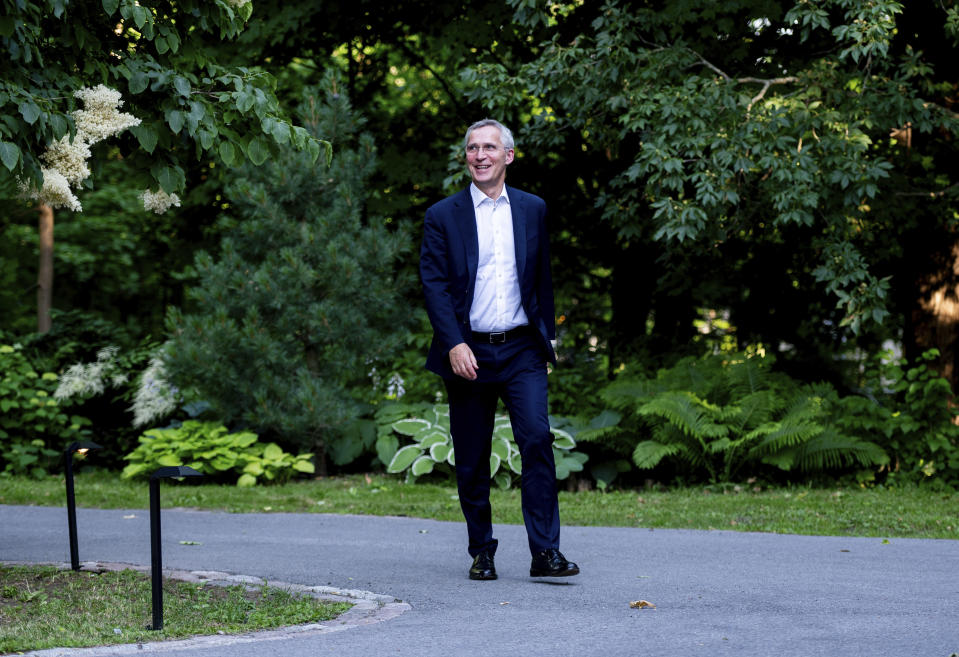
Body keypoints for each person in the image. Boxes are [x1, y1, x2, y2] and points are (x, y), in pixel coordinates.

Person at [419, 119, 579, 580]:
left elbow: (542, 280)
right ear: (465, 157)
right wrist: (453, 343)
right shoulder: (442, 216)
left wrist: (548, 341)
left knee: (537, 441)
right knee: (471, 456)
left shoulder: (533, 209)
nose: (480, 155)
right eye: (472, 148)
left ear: (508, 155)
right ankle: (481, 550)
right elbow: (433, 286)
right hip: (467, 352)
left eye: (490, 147)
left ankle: (545, 552)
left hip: (522, 350)